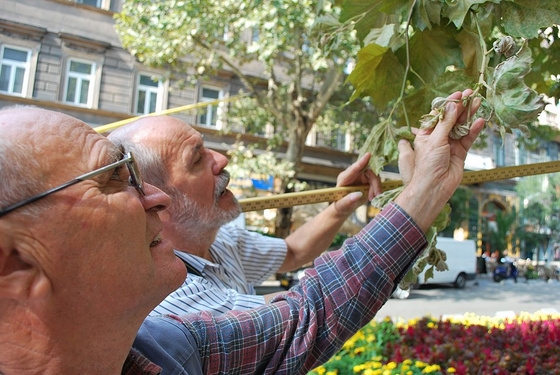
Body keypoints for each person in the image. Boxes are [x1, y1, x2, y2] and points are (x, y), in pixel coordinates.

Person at [0, 90, 484, 374]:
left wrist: (359, 205)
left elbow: (300, 301)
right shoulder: (178, 312)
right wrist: (421, 192)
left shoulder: (172, 349)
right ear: (13, 260)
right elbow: (304, 318)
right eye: (112, 180)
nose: (154, 200)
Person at [109, 116, 381, 315]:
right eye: (197, 159)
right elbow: (299, 315)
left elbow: (294, 252)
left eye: (206, 147)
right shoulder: (170, 293)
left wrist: (340, 207)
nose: (221, 159)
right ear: (159, 202)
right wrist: (414, 203)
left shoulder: (222, 241)